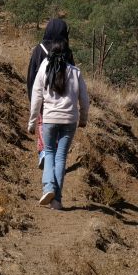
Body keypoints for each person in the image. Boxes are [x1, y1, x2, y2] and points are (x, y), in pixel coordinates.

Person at [28, 39, 89, 210]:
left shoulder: (44, 68)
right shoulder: (75, 72)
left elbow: (36, 97)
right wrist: (83, 119)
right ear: (68, 55)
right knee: (61, 156)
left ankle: (48, 188)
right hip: (69, 121)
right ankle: (57, 200)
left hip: (49, 119)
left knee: (49, 152)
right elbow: (84, 99)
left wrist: (32, 122)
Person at [26, 18, 74, 167]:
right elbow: (72, 75)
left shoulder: (39, 49)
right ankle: (55, 154)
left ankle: (44, 152)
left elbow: (31, 77)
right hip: (62, 98)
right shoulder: (66, 52)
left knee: (42, 122)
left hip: (43, 95)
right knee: (59, 126)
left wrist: (32, 97)